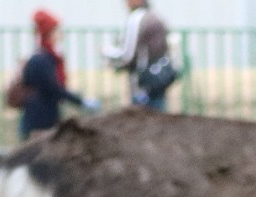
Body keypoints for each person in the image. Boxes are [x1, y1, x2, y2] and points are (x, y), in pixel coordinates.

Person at [14, 10, 99, 139]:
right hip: (39, 120)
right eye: (57, 30)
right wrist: (81, 102)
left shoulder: (46, 57)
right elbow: (53, 89)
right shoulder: (41, 60)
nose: (60, 34)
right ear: (49, 34)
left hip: (42, 118)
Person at [105, 0, 175, 111]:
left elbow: (128, 54)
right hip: (159, 78)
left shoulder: (137, 19)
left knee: (142, 120)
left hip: (143, 80)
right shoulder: (155, 17)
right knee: (158, 117)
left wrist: (108, 54)